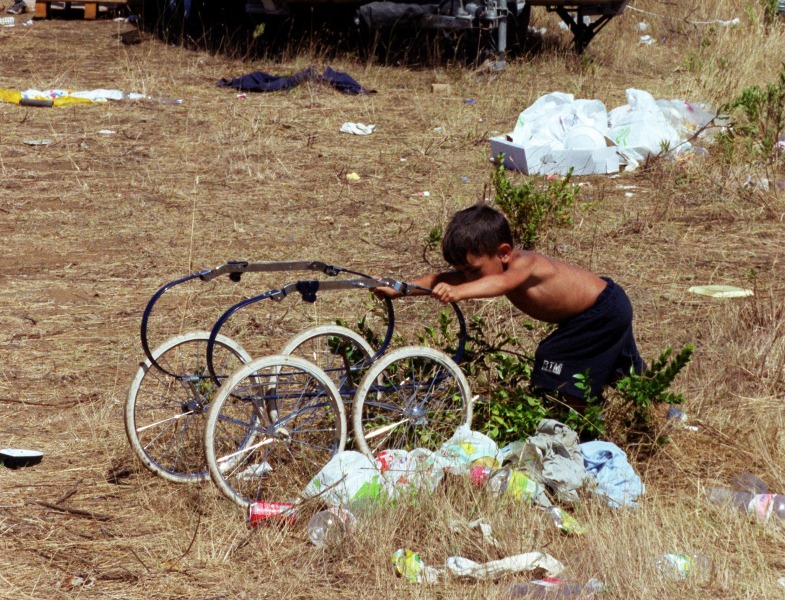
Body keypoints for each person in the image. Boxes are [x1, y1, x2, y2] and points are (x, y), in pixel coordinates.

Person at [376, 203, 645, 408]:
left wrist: (460, 291)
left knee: (554, 357)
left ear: (504, 252)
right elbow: (441, 278)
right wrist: (401, 288)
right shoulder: (493, 267)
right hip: (596, 311)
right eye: (462, 272)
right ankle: (664, 413)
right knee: (628, 372)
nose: (467, 277)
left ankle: (580, 422)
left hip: (601, 311)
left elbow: (500, 284)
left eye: (473, 270)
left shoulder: (524, 265)